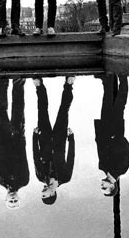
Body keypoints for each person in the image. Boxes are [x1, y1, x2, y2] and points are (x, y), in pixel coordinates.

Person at [32, 76, 75, 205]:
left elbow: (35, 156)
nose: (43, 188)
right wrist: (71, 139)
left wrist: (34, 137)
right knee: (64, 110)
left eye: (42, 191)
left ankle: (39, 86)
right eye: (45, 192)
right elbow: (71, 157)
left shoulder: (40, 177)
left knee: (42, 111)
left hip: (43, 139)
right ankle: (69, 84)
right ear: (52, 193)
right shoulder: (65, 178)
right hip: (60, 139)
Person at [0, 78, 29, 209]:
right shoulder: (24, 181)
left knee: (0, 111)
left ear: (5, 199)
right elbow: (24, 159)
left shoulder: (1, 181)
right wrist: (21, 139)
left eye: (10, 201)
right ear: (19, 198)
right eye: (15, 201)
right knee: (18, 109)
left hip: (2, 141)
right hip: (17, 139)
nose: (13, 199)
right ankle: (19, 82)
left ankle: (2, 84)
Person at [94, 73, 129, 196]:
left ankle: (108, 79)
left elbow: (100, 148)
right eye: (105, 188)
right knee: (119, 104)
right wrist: (116, 138)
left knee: (107, 101)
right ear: (112, 186)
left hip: (104, 130)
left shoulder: (102, 166)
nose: (102, 186)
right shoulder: (122, 169)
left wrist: (98, 137)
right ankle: (123, 77)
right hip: (116, 131)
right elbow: (126, 148)